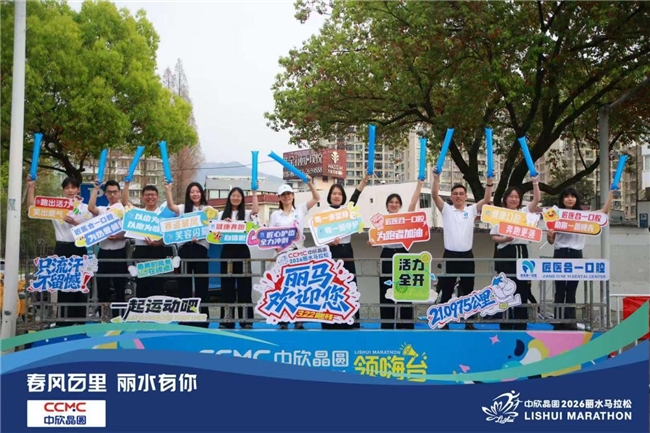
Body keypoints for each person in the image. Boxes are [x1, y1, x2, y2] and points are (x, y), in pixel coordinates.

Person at [431, 171, 494, 330]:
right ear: (451, 197)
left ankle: (469, 321)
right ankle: (443, 321)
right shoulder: (446, 209)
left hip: (467, 256)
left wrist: (489, 182)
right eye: (455, 194)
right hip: (450, 256)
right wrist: (436, 179)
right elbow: (434, 195)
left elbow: (487, 199)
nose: (458, 196)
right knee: (446, 289)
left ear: (466, 196)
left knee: (468, 291)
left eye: (461, 194)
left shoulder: (471, 210)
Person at [27, 175, 92, 326]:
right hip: (62, 247)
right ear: (63, 190)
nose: (70, 191)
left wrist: (75, 223)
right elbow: (33, 209)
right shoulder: (56, 205)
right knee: (63, 286)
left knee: (80, 285)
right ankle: (63, 322)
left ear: (78, 189)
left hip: (79, 247)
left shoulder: (85, 208)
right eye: (67, 188)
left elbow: (90, 230)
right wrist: (31, 187)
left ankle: (80, 321)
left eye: (73, 187)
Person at [547, 188, 613, 330]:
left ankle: (570, 320)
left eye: (573, 196)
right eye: (566, 196)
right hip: (560, 252)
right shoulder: (556, 214)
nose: (570, 199)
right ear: (562, 199)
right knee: (559, 289)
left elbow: (604, 212)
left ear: (577, 199)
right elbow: (551, 241)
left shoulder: (583, 215)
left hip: (576, 253)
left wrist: (611, 195)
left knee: (571, 289)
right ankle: (558, 320)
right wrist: (550, 235)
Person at [369, 180, 424, 329]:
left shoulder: (405, 218)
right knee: (386, 290)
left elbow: (413, 203)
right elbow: (375, 239)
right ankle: (387, 324)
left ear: (400, 205)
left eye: (396, 202)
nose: (394, 204)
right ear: (387, 205)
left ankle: (405, 324)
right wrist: (371, 242)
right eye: (391, 202)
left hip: (402, 254)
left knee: (405, 290)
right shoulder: (380, 221)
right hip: (387, 255)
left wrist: (419, 185)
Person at [490, 176, 541, 330]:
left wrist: (535, 182)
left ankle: (520, 324)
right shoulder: (499, 214)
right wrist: (505, 239)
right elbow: (494, 236)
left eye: (516, 197)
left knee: (522, 289)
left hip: (521, 252)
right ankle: (505, 324)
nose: (514, 199)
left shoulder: (524, 212)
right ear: (505, 199)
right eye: (511, 196)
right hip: (506, 252)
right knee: (505, 289)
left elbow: (537, 199)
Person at [269, 178, 320, 330]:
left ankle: (299, 319)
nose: (286, 197)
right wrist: (276, 246)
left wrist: (310, 184)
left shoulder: (300, 210)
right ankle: (283, 319)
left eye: (289, 194)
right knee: (283, 287)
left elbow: (316, 198)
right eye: (283, 195)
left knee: (299, 286)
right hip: (283, 254)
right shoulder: (275, 215)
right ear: (279, 197)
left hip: (298, 252)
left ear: (293, 196)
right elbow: (270, 235)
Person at [321, 174, 371, 330]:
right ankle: (330, 320)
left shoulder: (347, 210)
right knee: (331, 285)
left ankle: (352, 320)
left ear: (343, 197)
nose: (337, 196)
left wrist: (364, 181)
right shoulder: (324, 213)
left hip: (347, 250)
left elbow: (355, 196)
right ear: (330, 196)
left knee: (349, 285)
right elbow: (319, 237)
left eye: (339, 194)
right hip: (331, 251)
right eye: (334, 193)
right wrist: (330, 242)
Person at [164, 181, 211, 328]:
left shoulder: (208, 209)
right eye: (192, 192)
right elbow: (171, 207)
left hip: (201, 248)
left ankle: (203, 317)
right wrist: (168, 190)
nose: (195, 194)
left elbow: (213, 226)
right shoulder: (184, 208)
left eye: (197, 191)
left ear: (202, 193)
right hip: (185, 249)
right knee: (184, 284)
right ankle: (184, 317)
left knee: (202, 284)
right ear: (188, 194)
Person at [121, 181, 172, 298]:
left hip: (158, 251)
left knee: (157, 284)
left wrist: (157, 243)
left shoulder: (163, 214)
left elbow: (169, 235)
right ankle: (141, 308)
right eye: (147, 195)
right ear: (142, 197)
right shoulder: (138, 213)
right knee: (142, 285)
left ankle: (156, 308)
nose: (150, 197)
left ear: (157, 197)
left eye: (153, 195)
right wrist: (127, 184)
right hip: (141, 251)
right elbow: (124, 202)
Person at [218, 187, 259, 329]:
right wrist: (224, 224)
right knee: (227, 287)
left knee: (244, 286)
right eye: (233, 195)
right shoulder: (221, 214)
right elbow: (215, 233)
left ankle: (246, 320)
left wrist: (254, 194)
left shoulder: (246, 214)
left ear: (242, 199)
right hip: (227, 251)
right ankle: (226, 320)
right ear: (229, 197)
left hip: (242, 251)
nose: (235, 198)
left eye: (238, 196)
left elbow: (255, 210)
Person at [88, 179, 128, 317]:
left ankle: (119, 316)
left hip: (120, 253)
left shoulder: (125, 210)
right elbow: (91, 208)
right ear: (105, 193)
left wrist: (119, 237)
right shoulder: (102, 210)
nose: (112, 195)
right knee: (102, 286)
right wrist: (95, 189)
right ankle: (103, 315)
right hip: (103, 252)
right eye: (109, 192)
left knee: (120, 286)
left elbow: (130, 233)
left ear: (119, 193)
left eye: (115, 192)